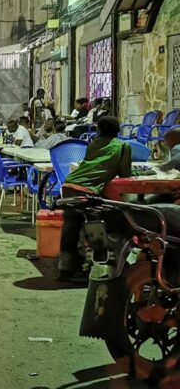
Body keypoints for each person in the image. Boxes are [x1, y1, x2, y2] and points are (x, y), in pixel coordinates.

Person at [57, 116, 133, 281]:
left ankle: (66, 269)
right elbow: (125, 174)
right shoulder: (123, 146)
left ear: (98, 130)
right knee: (95, 230)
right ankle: (94, 268)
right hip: (86, 191)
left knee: (71, 227)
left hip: (69, 185)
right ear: (118, 130)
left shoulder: (93, 144)